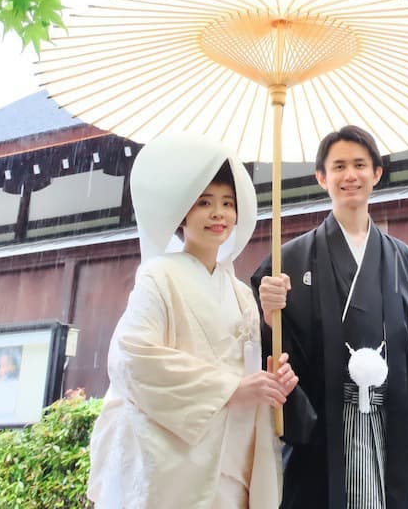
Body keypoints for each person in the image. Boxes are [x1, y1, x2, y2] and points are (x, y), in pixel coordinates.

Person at [252, 125, 408, 509]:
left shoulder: (405, 262)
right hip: (322, 438)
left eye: (360, 165)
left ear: (377, 173)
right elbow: (269, 353)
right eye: (339, 166)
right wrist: (267, 314)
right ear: (321, 177)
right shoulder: (288, 262)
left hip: (395, 435)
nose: (350, 175)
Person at [88, 131, 298, 509]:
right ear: (183, 213)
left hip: (232, 455)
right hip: (173, 456)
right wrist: (230, 388)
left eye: (227, 203)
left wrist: (270, 379)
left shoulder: (241, 295)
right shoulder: (158, 276)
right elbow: (133, 358)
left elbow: (248, 375)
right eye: (205, 202)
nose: (219, 214)